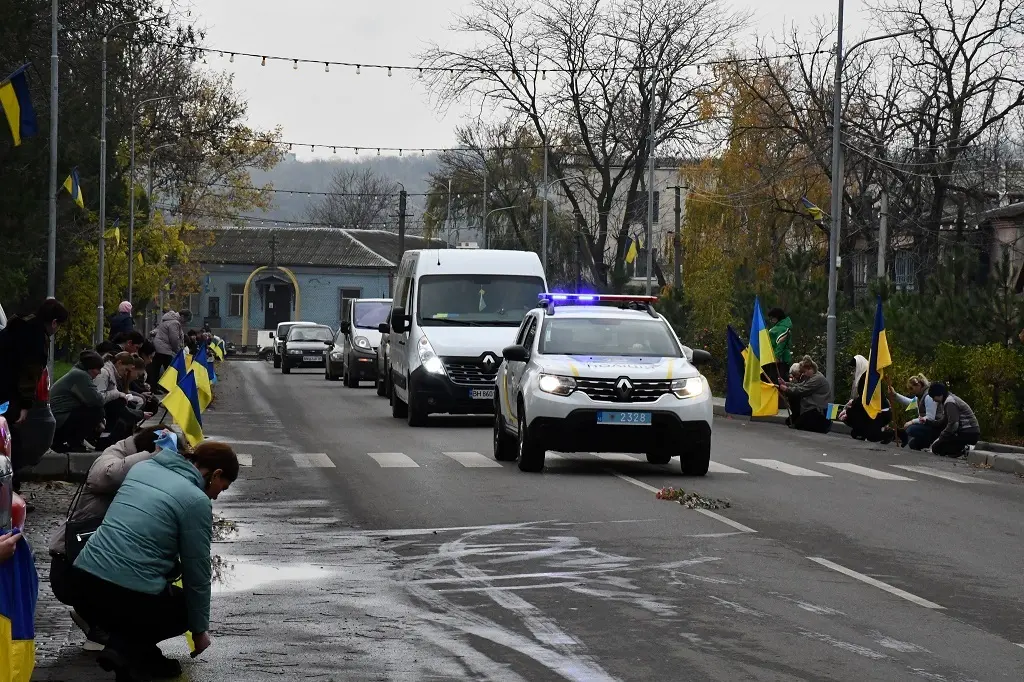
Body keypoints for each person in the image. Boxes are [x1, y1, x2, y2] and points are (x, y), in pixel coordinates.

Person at [71, 440, 239, 679]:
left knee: (161, 579)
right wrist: (199, 630)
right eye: (222, 488)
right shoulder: (196, 500)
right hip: (122, 591)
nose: (217, 496)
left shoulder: (143, 468)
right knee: (184, 608)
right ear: (216, 474)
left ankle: (137, 656)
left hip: (83, 581)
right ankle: (120, 648)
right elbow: (197, 572)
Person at [47, 426, 173, 650]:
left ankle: (97, 620)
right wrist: (153, 456)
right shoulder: (113, 455)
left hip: (93, 558)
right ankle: (99, 623)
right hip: (71, 562)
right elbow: (104, 477)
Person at [0, 298, 68, 490]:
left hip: (4, 392)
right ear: (54, 322)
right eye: (59, 326)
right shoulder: (36, 339)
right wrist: (25, 405)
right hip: (7, 395)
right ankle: (10, 490)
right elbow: (29, 375)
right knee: (11, 443)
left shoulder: (18, 328)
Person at [50, 351, 107, 452]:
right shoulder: (80, 375)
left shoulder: (77, 373)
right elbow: (96, 400)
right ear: (90, 367)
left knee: (94, 410)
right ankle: (75, 443)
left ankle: (67, 442)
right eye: (98, 369)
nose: (99, 373)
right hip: (59, 419)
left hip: (57, 418)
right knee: (97, 411)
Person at [94, 352, 146, 448]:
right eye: (126, 370)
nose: (126, 373)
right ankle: (104, 438)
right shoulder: (104, 373)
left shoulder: (112, 373)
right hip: (95, 408)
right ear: (119, 363)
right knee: (118, 403)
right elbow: (99, 397)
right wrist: (118, 394)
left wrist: (119, 395)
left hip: (102, 407)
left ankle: (106, 437)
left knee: (122, 403)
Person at [841, 354, 892, 443]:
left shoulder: (867, 378)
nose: (852, 373)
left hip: (880, 413)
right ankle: (861, 432)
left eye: (854, 369)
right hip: (876, 411)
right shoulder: (866, 377)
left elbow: (865, 399)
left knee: (852, 412)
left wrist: (850, 407)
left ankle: (890, 434)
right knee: (856, 429)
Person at [778, 355, 832, 433]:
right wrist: (786, 384)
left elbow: (801, 390)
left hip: (818, 410)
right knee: (792, 421)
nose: (804, 374)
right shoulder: (813, 376)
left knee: (799, 424)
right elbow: (800, 385)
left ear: (810, 369)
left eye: (804, 372)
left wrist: (786, 389)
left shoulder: (817, 379)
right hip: (814, 408)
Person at [888, 374, 940, 450]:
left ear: (918, 385)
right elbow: (910, 403)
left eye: (911, 388)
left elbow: (930, 418)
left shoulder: (928, 396)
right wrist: (895, 395)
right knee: (913, 444)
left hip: (936, 427)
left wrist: (912, 421)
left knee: (911, 429)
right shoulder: (920, 396)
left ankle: (932, 440)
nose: (910, 391)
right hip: (927, 425)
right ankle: (923, 442)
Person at [928, 383, 981, 457]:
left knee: (937, 448)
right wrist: (929, 423)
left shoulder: (950, 402)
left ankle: (966, 449)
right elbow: (944, 421)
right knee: (938, 445)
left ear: (940, 394)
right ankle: (961, 450)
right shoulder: (948, 400)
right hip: (967, 432)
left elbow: (953, 424)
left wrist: (941, 437)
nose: (933, 400)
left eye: (933, 397)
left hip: (968, 433)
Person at [152, 311, 184, 384]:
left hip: (158, 346)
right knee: (169, 371)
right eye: (185, 321)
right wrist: (177, 350)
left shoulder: (166, 319)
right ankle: (167, 387)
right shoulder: (174, 323)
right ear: (182, 316)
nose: (185, 323)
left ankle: (154, 386)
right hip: (165, 348)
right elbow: (174, 339)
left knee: (156, 369)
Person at [766, 308, 793, 381]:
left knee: (778, 381)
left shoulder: (783, 329)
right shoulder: (776, 328)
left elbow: (780, 345)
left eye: (772, 318)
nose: (771, 320)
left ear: (777, 317)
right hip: (771, 359)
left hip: (780, 361)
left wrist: (776, 357)